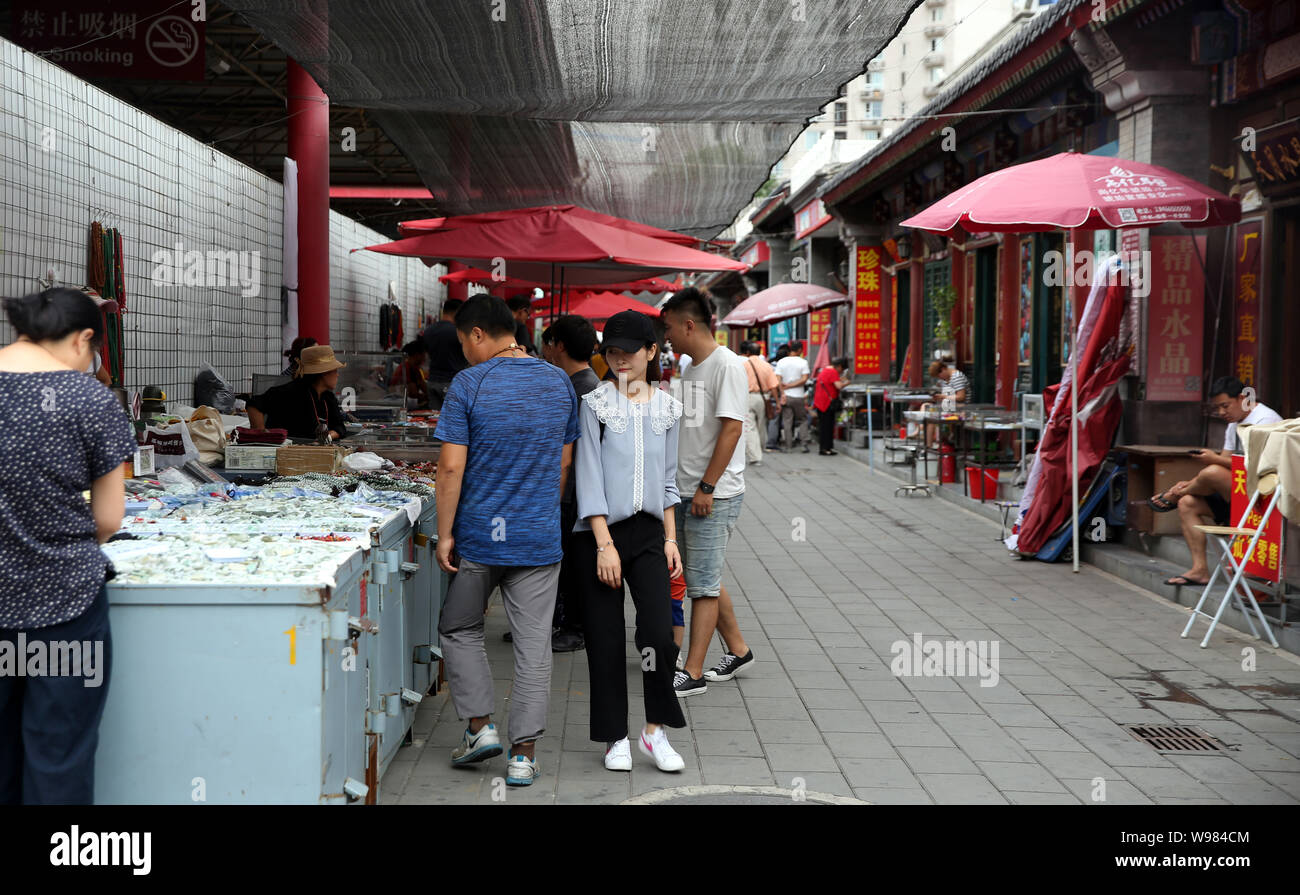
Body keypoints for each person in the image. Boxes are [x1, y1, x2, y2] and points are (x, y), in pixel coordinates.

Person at [433, 295, 579, 787]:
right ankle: (523, 755)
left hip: (479, 537)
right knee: (534, 647)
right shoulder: (558, 381)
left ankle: (479, 728)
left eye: (462, 342)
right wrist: (535, 510)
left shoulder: (469, 384)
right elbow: (563, 464)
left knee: (458, 627)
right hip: (538, 538)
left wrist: (445, 533)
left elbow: (451, 466)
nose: (464, 353)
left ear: (477, 334)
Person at [0, 288, 136, 804]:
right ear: (83, 339)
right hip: (66, 605)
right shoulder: (89, 399)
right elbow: (107, 518)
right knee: (59, 752)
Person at [573, 310, 688, 772]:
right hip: (601, 533)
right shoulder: (594, 404)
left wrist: (671, 539)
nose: (620, 360)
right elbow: (588, 476)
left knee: (658, 634)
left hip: (649, 535)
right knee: (604, 637)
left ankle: (654, 730)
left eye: (629, 352)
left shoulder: (669, 408)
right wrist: (603, 543)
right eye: (612, 352)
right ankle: (613, 735)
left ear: (652, 352)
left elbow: (668, 480)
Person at [660, 288, 755, 697]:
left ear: (688, 324)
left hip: (712, 494)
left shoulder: (726, 365)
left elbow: (732, 428)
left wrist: (707, 487)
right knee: (703, 575)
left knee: (700, 583)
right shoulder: (689, 366)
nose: (665, 337)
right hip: (686, 490)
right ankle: (738, 649)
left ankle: (693, 672)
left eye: (668, 328)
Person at [1149, 376, 1282, 587]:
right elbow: (1226, 463)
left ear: (1242, 398)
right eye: (1218, 408)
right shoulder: (1234, 422)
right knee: (1188, 503)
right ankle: (1199, 570)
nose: (1221, 413)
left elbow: (1258, 468)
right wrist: (1214, 462)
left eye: (1225, 406)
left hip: (1261, 500)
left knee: (1211, 472)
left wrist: (1213, 459)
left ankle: (1177, 492)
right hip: (1236, 496)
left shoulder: (1264, 420)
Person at [548, 314, 603, 652]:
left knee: (573, 562)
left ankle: (575, 627)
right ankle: (556, 622)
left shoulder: (582, 388)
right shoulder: (581, 383)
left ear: (560, 346)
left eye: (550, 344)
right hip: (573, 490)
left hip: (576, 492)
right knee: (565, 560)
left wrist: (556, 495)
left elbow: (569, 454)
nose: (547, 351)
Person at [247, 345, 348, 442]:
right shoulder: (290, 392)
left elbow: (339, 427)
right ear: (323, 373)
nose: (337, 375)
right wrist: (261, 436)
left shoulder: (328, 397)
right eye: (335, 371)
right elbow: (254, 404)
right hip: (287, 451)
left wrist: (328, 436)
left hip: (313, 451)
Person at [739, 340, 781, 466]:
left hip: (748, 397)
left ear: (747, 352)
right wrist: (777, 402)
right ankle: (760, 449)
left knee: (750, 427)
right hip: (764, 398)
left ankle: (755, 455)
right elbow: (773, 386)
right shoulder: (766, 366)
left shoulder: (743, 365)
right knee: (761, 425)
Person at [421, 298, 467, 409]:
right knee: (453, 418)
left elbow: (425, 356)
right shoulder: (458, 332)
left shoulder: (428, 330)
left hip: (432, 381)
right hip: (452, 382)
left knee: (434, 419)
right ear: (458, 312)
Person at [774, 340, 811, 453]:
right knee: (803, 419)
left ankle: (788, 446)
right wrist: (791, 385)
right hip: (799, 395)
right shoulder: (803, 362)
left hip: (786, 396)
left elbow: (778, 380)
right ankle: (804, 444)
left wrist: (783, 393)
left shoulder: (781, 362)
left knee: (787, 420)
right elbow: (804, 379)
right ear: (800, 350)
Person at [813, 356, 851, 456]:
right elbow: (838, 386)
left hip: (820, 402)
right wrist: (847, 382)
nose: (841, 371)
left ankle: (824, 448)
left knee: (824, 426)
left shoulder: (825, 370)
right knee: (828, 426)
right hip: (826, 403)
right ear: (838, 366)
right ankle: (826, 449)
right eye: (842, 369)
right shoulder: (833, 372)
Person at [390, 340, 429, 408]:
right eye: (424, 354)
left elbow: (425, 389)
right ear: (417, 355)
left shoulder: (415, 369)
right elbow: (413, 394)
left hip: (410, 405)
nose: (425, 358)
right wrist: (425, 396)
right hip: (400, 406)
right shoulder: (405, 369)